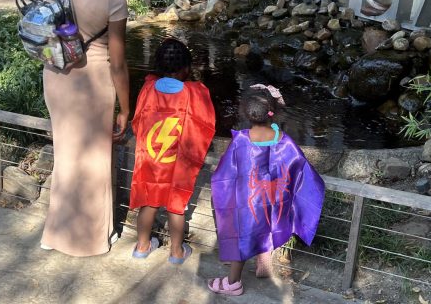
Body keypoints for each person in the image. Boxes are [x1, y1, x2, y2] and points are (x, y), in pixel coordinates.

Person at [40, 0, 135, 257]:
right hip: (92, 85)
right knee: (94, 161)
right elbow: (118, 64)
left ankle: (56, 233)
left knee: (67, 155)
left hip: (54, 75)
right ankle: (90, 239)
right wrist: (126, 109)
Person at [208, 85, 325, 295]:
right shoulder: (284, 141)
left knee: (241, 237)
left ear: (245, 113)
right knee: (266, 228)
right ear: (273, 112)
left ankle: (233, 283)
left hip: (248, 203)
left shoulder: (241, 141)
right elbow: (300, 169)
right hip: (274, 203)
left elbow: (225, 174)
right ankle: (263, 261)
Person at [129, 38, 216, 264]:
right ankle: (176, 253)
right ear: (187, 67)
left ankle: (142, 247)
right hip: (178, 162)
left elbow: (138, 121)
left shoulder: (148, 88)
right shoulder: (194, 92)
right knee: (176, 205)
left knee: (149, 201)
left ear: (158, 66)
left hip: (152, 159)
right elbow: (204, 125)